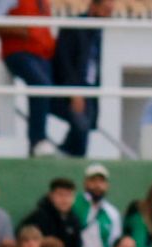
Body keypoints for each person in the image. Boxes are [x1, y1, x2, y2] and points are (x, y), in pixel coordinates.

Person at [0, 0, 60, 156]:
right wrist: (21, 30)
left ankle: (73, 144)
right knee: (41, 85)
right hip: (18, 52)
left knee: (58, 90)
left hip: (42, 55)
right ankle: (37, 140)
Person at [50, 0, 108, 157]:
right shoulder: (74, 27)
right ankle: (66, 154)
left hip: (88, 89)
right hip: (74, 88)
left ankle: (66, 153)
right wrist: (74, 90)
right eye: (106, 10)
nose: (108, 15)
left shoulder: (97, 32)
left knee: (84, 127)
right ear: (94, 7)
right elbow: (64, 61)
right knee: (81, 124)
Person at [21, 178, 83, 247]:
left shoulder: (74, 220)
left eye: (68, 195)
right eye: (60, 195)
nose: (64, 199)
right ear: (51, 196)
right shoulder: (39, 217)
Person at [74, 164, 122, 247]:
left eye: (101, 181)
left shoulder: (112, 213)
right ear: (85, 183)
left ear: (107, 185)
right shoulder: (74, 204)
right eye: (93, 181)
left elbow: (114, 243)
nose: (97, 185)